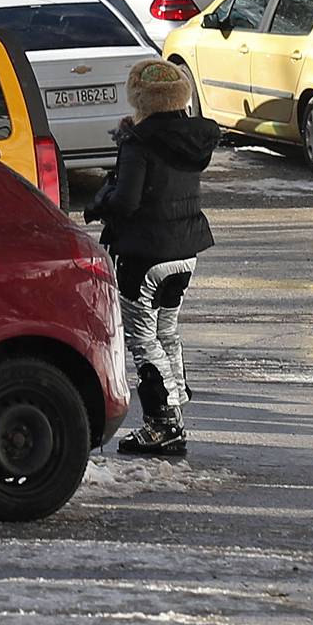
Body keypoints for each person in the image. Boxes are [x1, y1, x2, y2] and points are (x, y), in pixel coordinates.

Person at [90, 57, 219, 458]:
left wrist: (100, 203)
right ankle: (174, 410)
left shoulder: (139, 142)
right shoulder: (191, 139)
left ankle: (162, 424)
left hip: (145, 253)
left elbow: (127, 201)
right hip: (185, 250)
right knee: (166, 331)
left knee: (142, 337)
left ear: (140, 98)